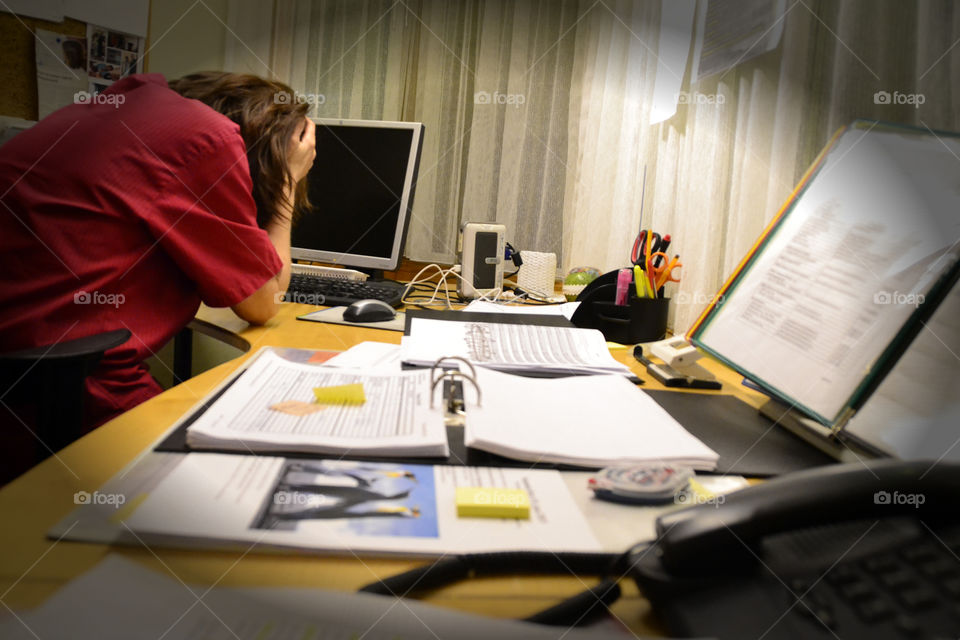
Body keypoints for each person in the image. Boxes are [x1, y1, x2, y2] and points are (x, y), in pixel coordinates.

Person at [0, 72, 316, 465]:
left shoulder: (127, 107)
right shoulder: (207, 138)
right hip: (66, 389)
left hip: (26, 375)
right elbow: (264, 302)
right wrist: (287, 185)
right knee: (237, 467)